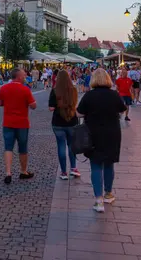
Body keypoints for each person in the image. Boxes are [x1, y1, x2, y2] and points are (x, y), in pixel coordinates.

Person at [77, 68, 126, 213]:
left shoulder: (89, 95)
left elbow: (79, 113)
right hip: (112, 133)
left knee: (96, 165)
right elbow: (122, 109)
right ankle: (108, 194)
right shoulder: (114, 94)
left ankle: (98, 200)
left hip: (93, 134)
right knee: (109, 163)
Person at [0, 68, 37, 184]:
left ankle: (8, 172)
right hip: (22, 123)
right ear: (19, 77)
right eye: (24, 76)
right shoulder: (25, 89)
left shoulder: (4, 88)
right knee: (23, 148)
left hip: (8, 122)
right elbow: (33, 105)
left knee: (8, 147)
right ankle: (23, 171)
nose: (25, 77)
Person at [49, 70, 80, 180]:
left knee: (61, 146)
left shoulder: (54, 91)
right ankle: (73, 168)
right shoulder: (73, 90)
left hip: (58, 122)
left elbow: (51, 108)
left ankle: (63, 172)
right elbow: (75, 105)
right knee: (71, 145)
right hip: (72, 121)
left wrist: (58, 106)